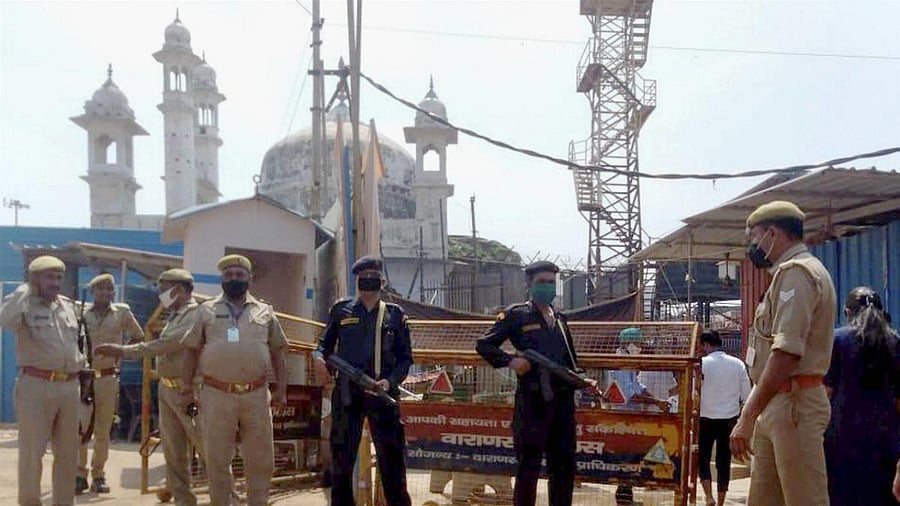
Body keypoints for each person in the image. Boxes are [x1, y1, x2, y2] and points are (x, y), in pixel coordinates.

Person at [729, 200, 836, 506]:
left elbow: (785, 353)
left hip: (793, 406)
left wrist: (747, 415)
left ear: (772, 233)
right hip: (776, 404)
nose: (753, 246)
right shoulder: (784, 276)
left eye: (754, 237)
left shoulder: (797, 273)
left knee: (805, 500)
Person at [476, 260, 598, 506]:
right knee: (528, 470)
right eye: (542, 282)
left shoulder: (560, 319)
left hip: (562, 405)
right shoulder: (516, 314)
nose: (547, 287)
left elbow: (568, 362)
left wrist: (582, 380)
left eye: (552, 282)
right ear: (529, 284)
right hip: (533, 404)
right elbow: (484, 344)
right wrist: (510, 361)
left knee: (563, 470)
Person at [181, 254, 288, 506]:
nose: (234, 279)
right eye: (229, 275)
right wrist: (187, 388)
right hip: (217, 394)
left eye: (240, 275)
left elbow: (277, 352)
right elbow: (191, 350)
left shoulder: (265, 311)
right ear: (222, 279)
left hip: (257, 395)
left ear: (249, 278)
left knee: (261, 461)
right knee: (217, 458)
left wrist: (282, 389)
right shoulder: (205, 310)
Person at [95, 268, 204, 506]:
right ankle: (184, 501)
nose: (161, 295)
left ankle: (227, 499)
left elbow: (166, 344)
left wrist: (123, 351)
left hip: (189, 392)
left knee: (206, 449)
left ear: (181, 290)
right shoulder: (174, 314)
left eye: (165, 290)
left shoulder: (195, 314)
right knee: (174, 454)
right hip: (167, 389)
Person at [313, 255, 413, 506]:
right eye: (364, 279)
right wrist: (317, 359)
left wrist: (389, 383)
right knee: (342, 462)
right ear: (357, 281)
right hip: (348, 393)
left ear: (382, 282)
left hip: (383, 395)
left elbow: (405, 359)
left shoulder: (394, 314)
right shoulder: (341, 309)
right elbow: (323, 346)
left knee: (392, 462)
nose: (368, 283)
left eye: (374, 279)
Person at [0, 255, 85, 506]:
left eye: (58, 277)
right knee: (32, 453)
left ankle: (63, 502)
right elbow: (5, 321)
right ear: (34, 278)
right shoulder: (23, 304)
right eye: (48, 276)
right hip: (36, 386)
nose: (55, 282)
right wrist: (24, 290)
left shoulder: (68, 305)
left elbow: (77, 342)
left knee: (69, 454)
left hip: (70, 386)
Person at [823, 287, 900, 506]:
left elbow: (825, 395)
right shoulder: (895, 343)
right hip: (886, 446)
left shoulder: (837, 340)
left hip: (841, 443)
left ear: (848, 313)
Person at [75, 272, 144, 495]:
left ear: (113, 292)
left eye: (108, 289)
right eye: (100, 288)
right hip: (83, 377)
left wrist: (121, 354)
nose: (105, 292)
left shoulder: (121, 312)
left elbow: (138, 335)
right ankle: (78, 474)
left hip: (107, 376)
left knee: (103, 429)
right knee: (81, 428)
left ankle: (98, 474)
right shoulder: (80, 310)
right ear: (93, 291)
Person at [604, 327, 670, 505]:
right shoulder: (620, 362)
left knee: (631, 457)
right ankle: (624, 499)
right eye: (638, 343)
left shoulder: (629, 362)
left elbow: (638, 386)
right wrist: (656, 402)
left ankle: (626, 497)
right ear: (628, 343)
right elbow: (630, 394)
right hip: (623, 416)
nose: (640, 347)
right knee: (626, 458)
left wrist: (655, 398)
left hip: (631, 416)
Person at [698, 330, 751, 506]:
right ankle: (720, 502)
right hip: (729, 419)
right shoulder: (738, 364)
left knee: (703, 458)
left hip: (705, 417)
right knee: (723, 461)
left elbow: (694, 391)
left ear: (705, 345)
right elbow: (747, 395)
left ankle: (708, 497)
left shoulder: (702, 364)